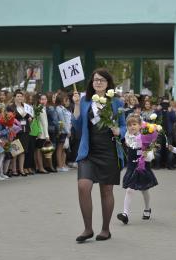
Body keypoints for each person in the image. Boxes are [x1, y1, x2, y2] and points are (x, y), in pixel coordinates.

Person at [72, 68, 126, 242]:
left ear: (108, 83)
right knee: (83, 186)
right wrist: (77, 106)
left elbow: (124, 126)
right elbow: (78, 127)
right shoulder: (85, 101)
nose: (98, 82)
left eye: (102, 80)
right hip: (89, 151)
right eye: (95, 80)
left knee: (106, 190)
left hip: (109, 150)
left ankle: (105, 229)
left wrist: (120, 130)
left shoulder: (116, 102)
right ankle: (87, 229)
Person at [117, 114, 158, 224]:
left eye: (134, 124)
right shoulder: (127, 136)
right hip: (132, 168)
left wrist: (146, 154)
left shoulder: (146, 137)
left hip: (143, 168)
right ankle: (125, 213)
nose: (132, 127)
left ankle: (147, 208)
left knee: (144, 190)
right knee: (129, 190)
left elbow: (151, 157)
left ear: (140, 126)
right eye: (129, 125)